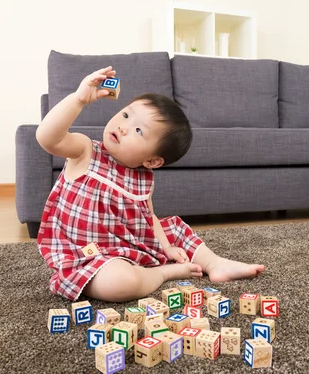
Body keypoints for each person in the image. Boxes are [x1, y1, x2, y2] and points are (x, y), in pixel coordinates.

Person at [36, 66, 265, 302]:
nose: (123, 126)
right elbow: (47, 138)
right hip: (86, 255)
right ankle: (163, 273)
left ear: (152, 161)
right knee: (120, 283)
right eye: (126, 115)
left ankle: (215, 263)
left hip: (129, 244)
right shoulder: (85, 150)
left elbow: (148, 217)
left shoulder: (143, 179)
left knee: (174, 230)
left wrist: (165, 247)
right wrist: (78, 100)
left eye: (138, 130)